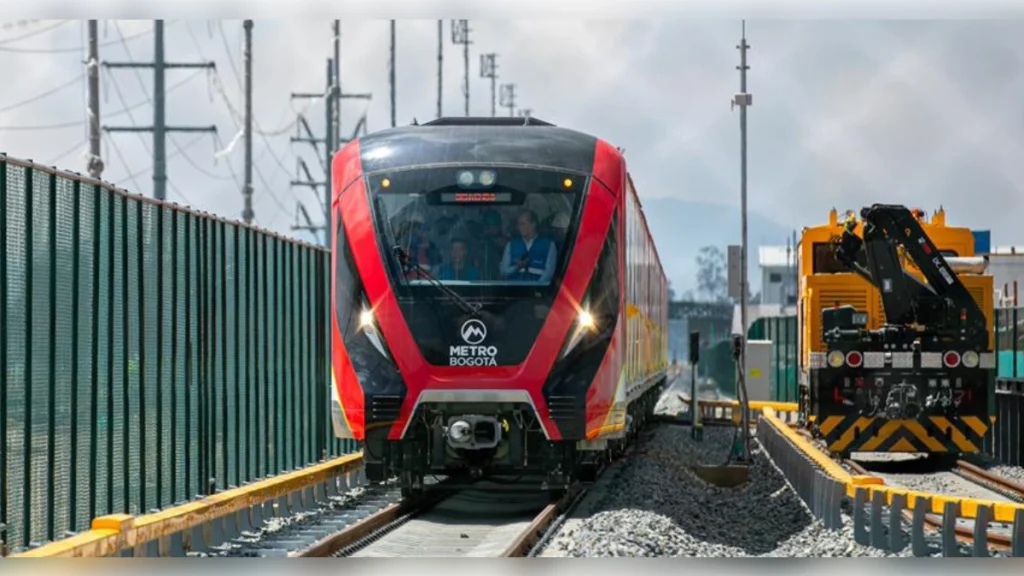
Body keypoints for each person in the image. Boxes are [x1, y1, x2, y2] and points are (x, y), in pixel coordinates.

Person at [500, 209, 557, 283]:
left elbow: (549, 273)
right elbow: (503, 271)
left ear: (533, 224)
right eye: (519, 224)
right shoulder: (510, 245)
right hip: (513, 290)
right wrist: (517, 267)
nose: (519, 227)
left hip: (537, 291)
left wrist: (535, 288)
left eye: (523, 223)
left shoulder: (549, 245)